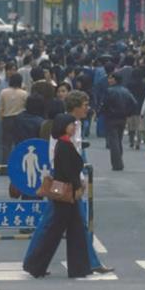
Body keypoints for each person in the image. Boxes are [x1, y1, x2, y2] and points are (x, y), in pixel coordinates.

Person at [23, 113, 91, 278]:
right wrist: (77, 187)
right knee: (56, 232)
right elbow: (69, 171)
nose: (74, 127)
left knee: (73, 231)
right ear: (63, 126)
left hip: (65, 193)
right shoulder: (64, 145)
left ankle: (78, 268)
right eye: (71, 125)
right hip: (67, 194)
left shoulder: (65, 144)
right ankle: (35, 265)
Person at [103, 71, 139, 171]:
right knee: (118, 139)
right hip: (122, 118)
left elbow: (105, 104)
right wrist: (128, 113)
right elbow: (134, 103)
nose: (109, 80)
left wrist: (104, 113)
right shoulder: (126, 91)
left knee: (114, 141)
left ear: (115, 80)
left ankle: (117, 163)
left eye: (111, 78)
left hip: (111, 118)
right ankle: (119, 160)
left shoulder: (109, 91)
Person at [0, 72, 28, 161]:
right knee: (19, 143)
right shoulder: (24, 93)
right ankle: (18, 163)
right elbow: (26, 107)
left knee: (6, 144)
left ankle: (5, 165)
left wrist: (1, 120)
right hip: (20, 120)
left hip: (7, 119)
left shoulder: (3, 92)